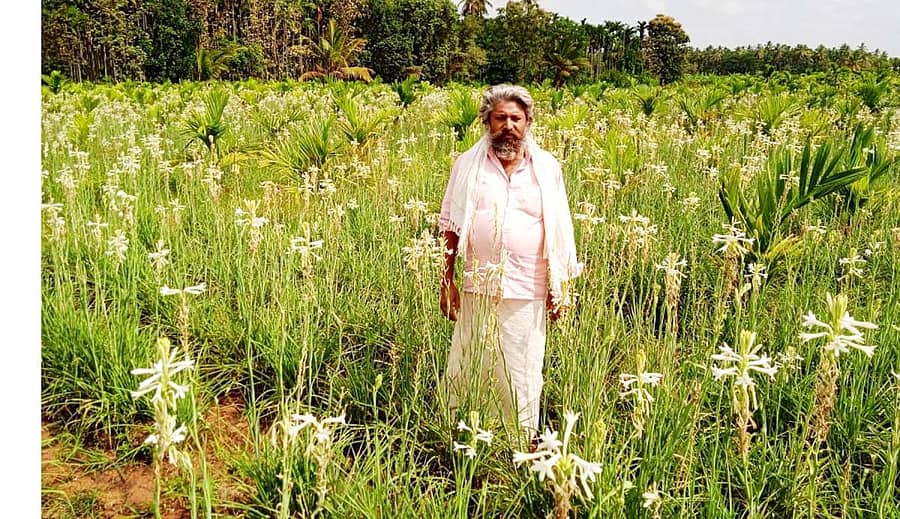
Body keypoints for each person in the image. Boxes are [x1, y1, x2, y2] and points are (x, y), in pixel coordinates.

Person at [438, 84, 582, 440]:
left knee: (521, 367)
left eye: (516, 118)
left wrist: (559, 287)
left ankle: (518, 437)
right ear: (487, 122)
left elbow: (560, 228)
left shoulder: (547, 168)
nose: (508, 125)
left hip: (527, 288)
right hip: (477, 286)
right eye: (500, 117)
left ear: (528, 122)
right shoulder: (467, 166)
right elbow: (450, 225)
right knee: (470, 363)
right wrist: (447, 281)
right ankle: (463, 433)